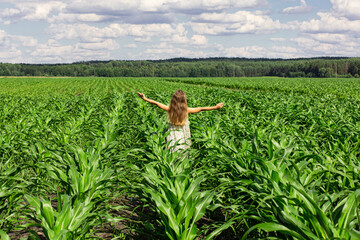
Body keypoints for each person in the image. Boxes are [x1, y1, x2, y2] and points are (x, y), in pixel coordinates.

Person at [137, 90, 224, 152]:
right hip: (183, 134)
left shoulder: (169, 109)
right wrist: (215, 107)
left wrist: (145, 98)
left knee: (172, 149)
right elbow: (201, 109)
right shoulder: (186, 110)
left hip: (172, 134)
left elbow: (156, 103)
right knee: (183, 150)